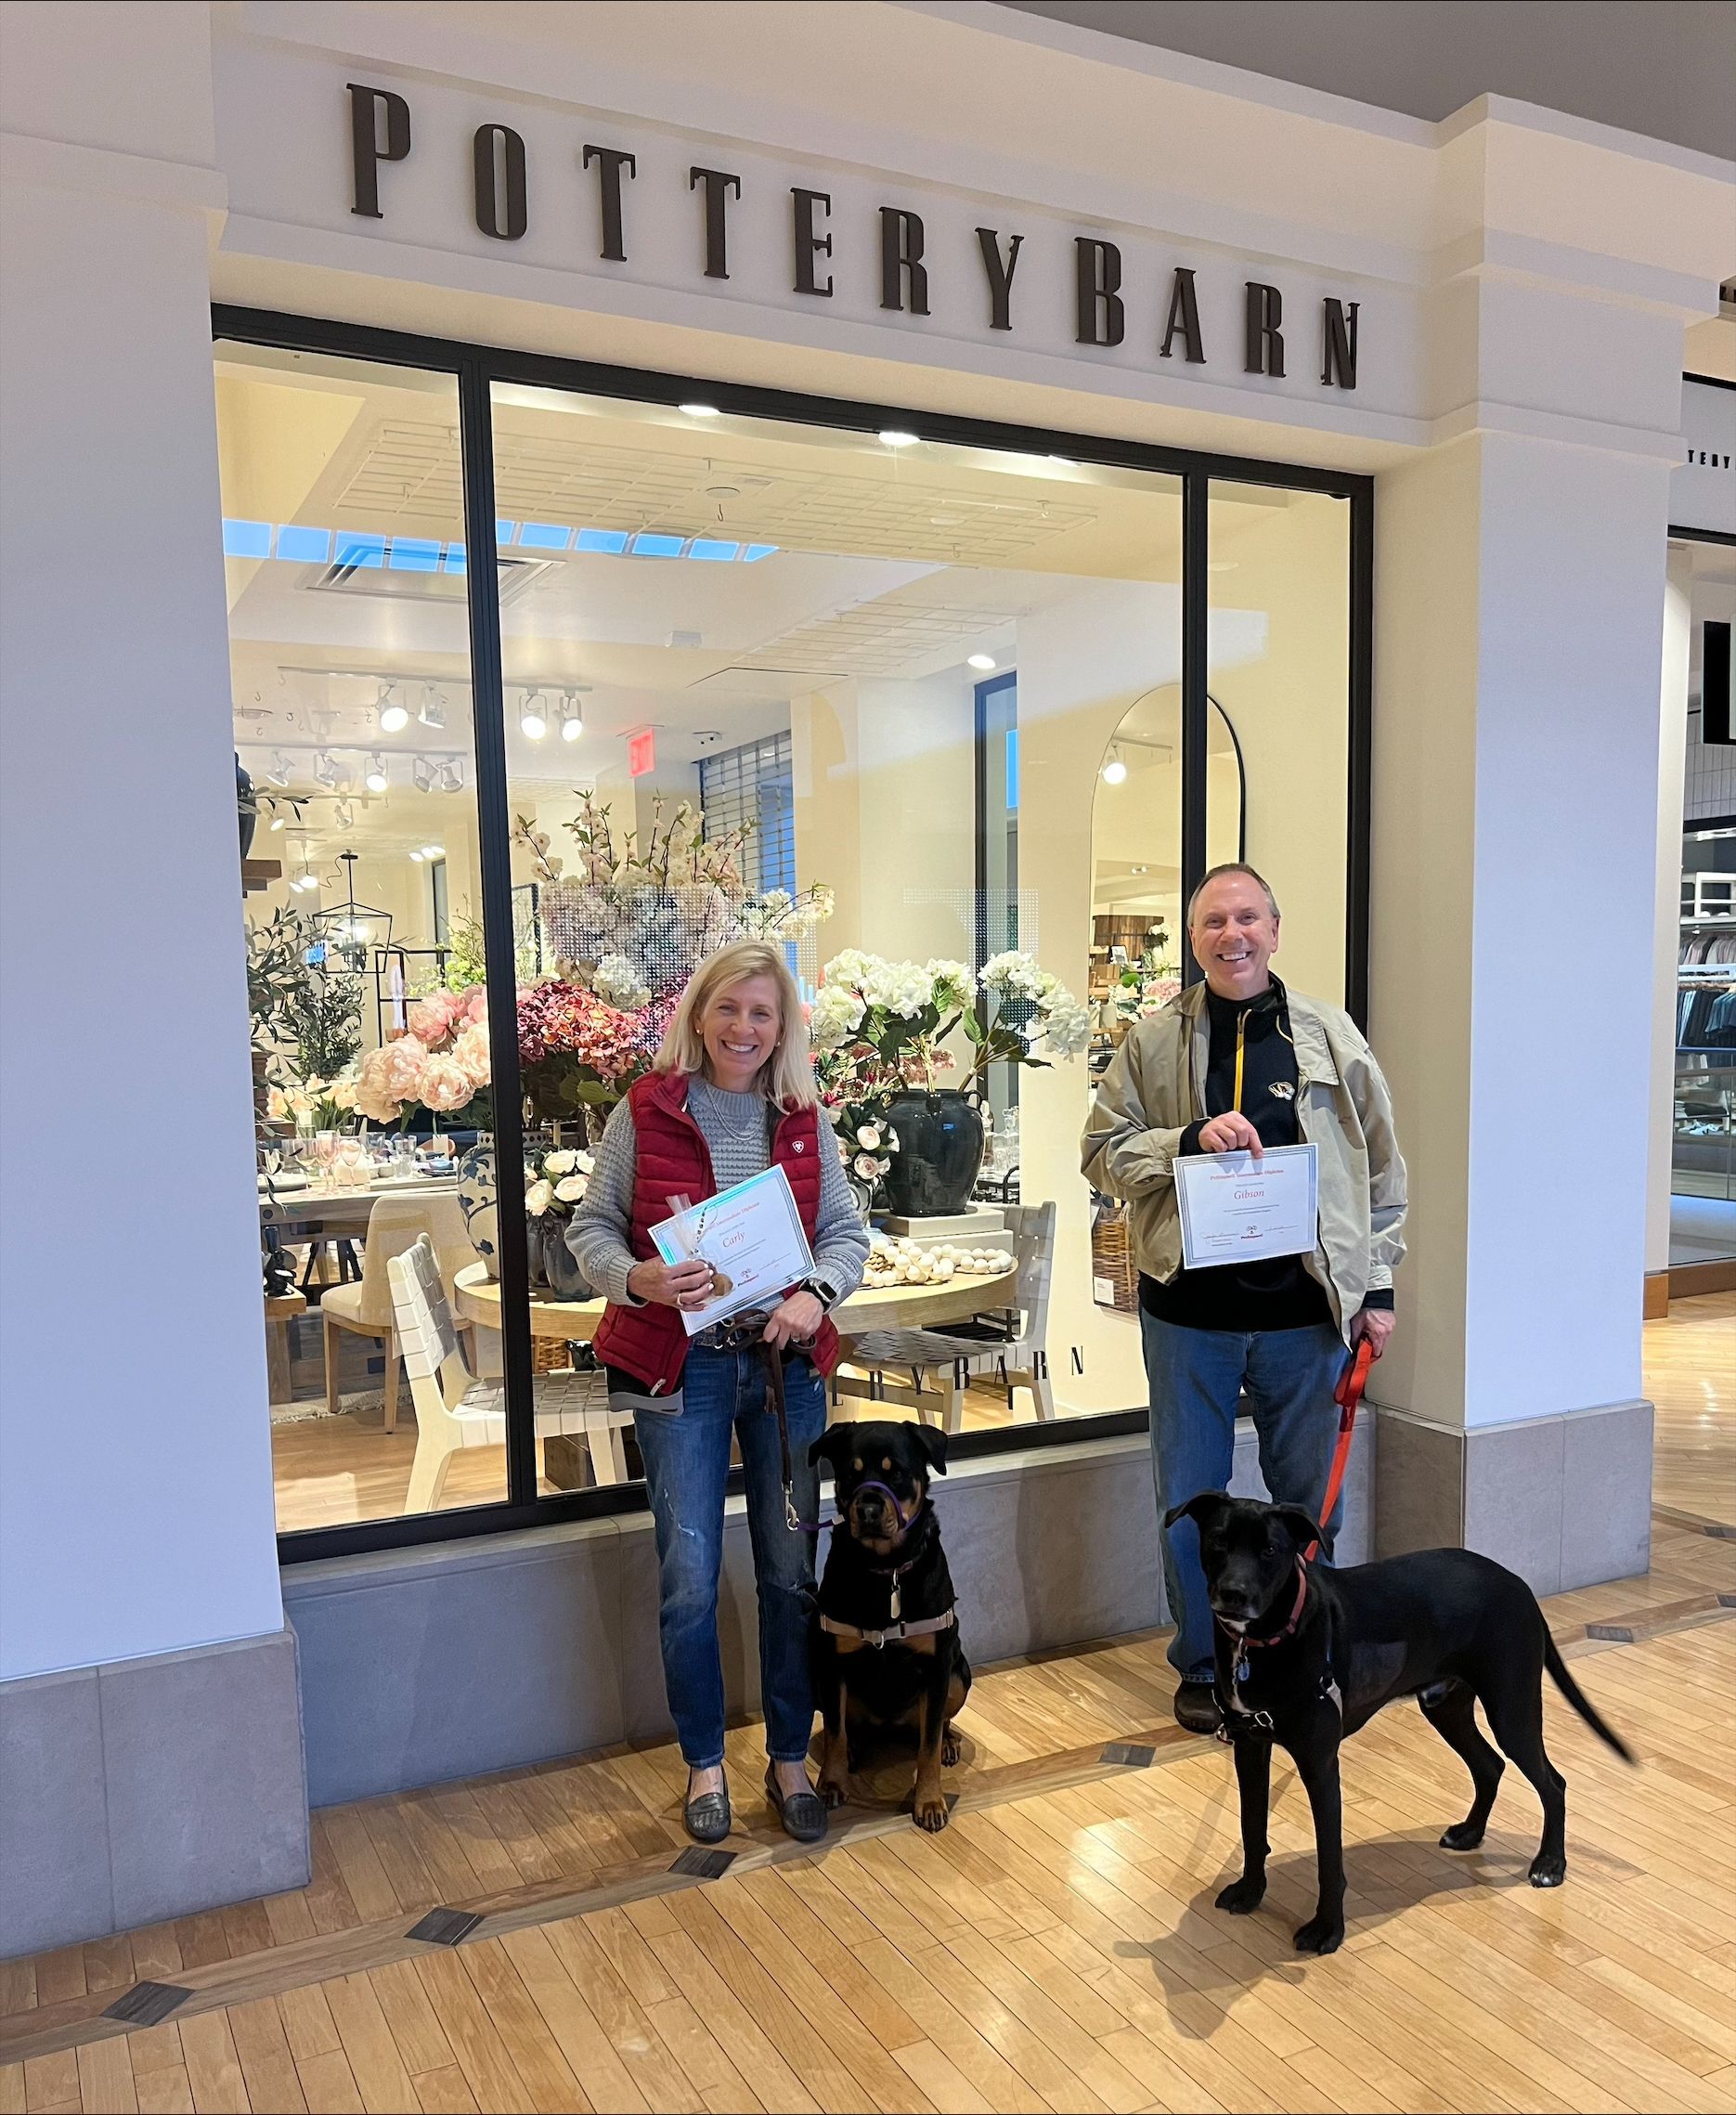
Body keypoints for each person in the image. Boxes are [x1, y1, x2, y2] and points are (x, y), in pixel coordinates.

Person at [1081, 863, 1406, 1733]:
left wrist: (1376, 1284)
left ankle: (1315, 1653)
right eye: (1215, 923)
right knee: (1190, 1503)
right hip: (1190, 1321)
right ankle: (1201, 1664)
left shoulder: (1331, 1038)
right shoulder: (1152, 1043)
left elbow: (1381, 1173)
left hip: (1305, 1321)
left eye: (1249, 918)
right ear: (1194, 941)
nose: (1234, 936)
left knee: (1309, 1507)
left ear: (1275, 927)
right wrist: (1185, 1139)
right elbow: (1099, 1154)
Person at [569, 941, 869, 1841]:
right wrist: (640, 1281)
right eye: (729, 1009)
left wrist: (816, 1295)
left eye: (762, 1013)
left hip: (782, 1373)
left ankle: (787, 1757)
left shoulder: (806, 1117)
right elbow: (590, 1230)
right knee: (689, 1579)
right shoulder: (645, 1110)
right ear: (699, 1015)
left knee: (789, 1575)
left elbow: (848, 1233)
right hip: (683, 1370)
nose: (744, 1028)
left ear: (783, 1028)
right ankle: (705, 1764)